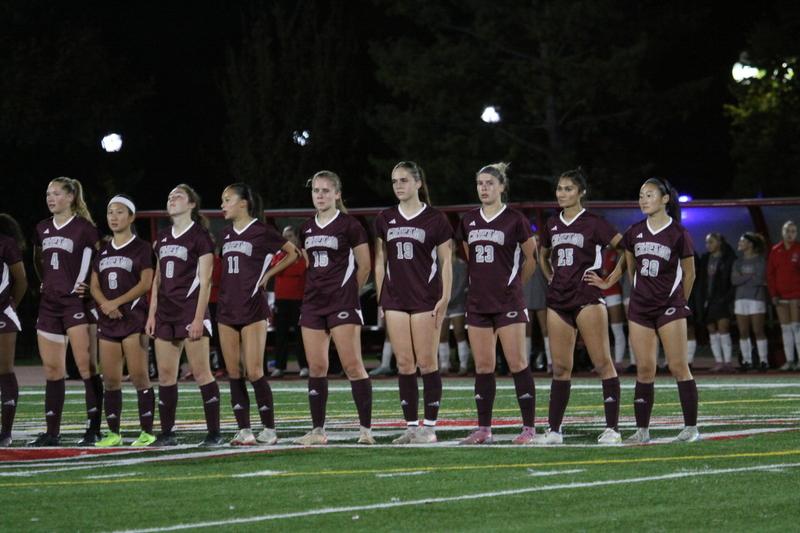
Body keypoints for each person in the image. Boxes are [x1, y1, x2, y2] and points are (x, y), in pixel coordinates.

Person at [591, 178, 700, 443]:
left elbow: (690, 274)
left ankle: (691, 428)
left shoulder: (678, 233)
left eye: (649, 195)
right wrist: (607, 282)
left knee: (677, 366)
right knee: (644, 370)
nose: (643, 199)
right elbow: (624, 264)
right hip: (640, 307)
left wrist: (678, 303)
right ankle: (642, 432)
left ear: (664, 199)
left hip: (669, 307)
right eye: (641, 195)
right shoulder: (634, 231)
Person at [535, 168, 623, 445]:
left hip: (587, 297)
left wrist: (608, 280)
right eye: (559, 189)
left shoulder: (596, 222)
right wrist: (549, 276)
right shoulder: (552, 223)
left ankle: (612, 429)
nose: (562, 194)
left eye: (569, 189)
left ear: (581, 193)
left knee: (602, 364)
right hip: (558, 299)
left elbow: (628, 250)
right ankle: (554, 431)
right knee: (560, 368)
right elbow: (543, 254)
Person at [456, 163, 538, 445]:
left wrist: (514, 286)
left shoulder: (515, 219)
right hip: (478, 302)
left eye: (490, 183)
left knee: (517, 363)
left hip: (508, 302)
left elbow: (533, 258)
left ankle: (528, 428)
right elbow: (470, 257)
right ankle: (483, 429)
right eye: (480, 183)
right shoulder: (468, 220)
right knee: (483, 365)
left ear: (502, 187)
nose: (484, 188)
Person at [374, 161, 453, 444]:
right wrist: (382, 296)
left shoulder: (436, 218)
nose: (398, 186)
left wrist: (445, 297)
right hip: (395, 298)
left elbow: (446, 262)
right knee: (404, 364)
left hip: (425, 298)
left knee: (427, 362)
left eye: (404, 180)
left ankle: (428, 428)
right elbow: (380, 260)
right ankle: (411, 427)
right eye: (395, 181)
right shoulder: (385, 218)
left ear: (418, 183)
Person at [293, 171, 374, 445]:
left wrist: (351, 294)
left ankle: (366, 431)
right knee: (316, 367)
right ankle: (318, 431)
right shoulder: (305, 227)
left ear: (337, 194)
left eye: (326, 190)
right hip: (313, 303)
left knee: (352, 366)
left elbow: (365, 265)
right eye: (316, 190)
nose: (320, 195)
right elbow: (308, 264)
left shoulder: (350, 226)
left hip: (343, 302)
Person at [217, 184, 299, 445]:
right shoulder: (227, 233)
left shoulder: (263, 231)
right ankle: (244, 431)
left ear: (243, 203)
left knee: (254, 371)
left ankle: (269, 430)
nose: (223, 205)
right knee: (234, 371)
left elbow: (293, 253)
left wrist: (268, 276)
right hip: (227, 308)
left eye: (227, 199)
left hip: (253, 307)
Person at [145, 184, 223, 447]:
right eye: (169, 196)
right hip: (165, 314)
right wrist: (152, 313)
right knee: (166, 377)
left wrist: (199, 318)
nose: (172, 199)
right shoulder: (163, 237)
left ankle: (214, 433)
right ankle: (167, 434)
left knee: (202, 373)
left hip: (190, 312)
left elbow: (206, 281)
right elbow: (157, 280)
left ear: (191, 205)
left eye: (178, 196)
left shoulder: (201, 237)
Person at [28, 177, 103, 447]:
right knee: (52, 370)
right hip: (50, 304)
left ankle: (93, 429)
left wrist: (91, 287)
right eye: (48, 194)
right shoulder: (42, 228)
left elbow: (99, 261)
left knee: (86, 367)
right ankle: (52, 432)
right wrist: (44, 282)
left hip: (77, 304)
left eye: (56, 194)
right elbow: (38, 260)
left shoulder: (85, 228)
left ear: (71, 197)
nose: (50, 198)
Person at [89, 196, 156, 446]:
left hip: (133, 320)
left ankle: (147, 432)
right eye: (110, 213)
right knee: (111, 380)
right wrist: (105, 304)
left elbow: (145, 283)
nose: (113, 217)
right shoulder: (103, 250)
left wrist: (116, 303)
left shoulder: (142, 247)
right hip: (108, 321)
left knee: (139, 377)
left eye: (119, 212)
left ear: (131, 217)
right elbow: (94, 285)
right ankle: (114, 434)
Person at [0, 214, 28, 447]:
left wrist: (10, 306)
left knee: (4, 370)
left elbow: (22, 280)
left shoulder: (6, 243)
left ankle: (6, 432)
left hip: (1, 314)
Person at [270, 225, 309, 378]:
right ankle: (279, 366)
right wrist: (288, 264)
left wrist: (286, 267)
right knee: (281, 335)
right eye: (285, 236)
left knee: (301, 335)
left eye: (290, 236)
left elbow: (299, 270)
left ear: (296, 238)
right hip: (281, 300)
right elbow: (276, 270)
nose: (287, 239)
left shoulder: (302, 254)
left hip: (299, 300)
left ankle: (304, 366)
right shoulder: (279, 255)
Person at [696, 233, 737, 372]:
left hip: (722, 299)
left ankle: (728, 362)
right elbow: (702, 280)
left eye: (711, 242)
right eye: (707, 243)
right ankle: (718, 361)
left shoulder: (728, 258)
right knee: (711, 330)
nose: (709, 245)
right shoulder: (705, 259)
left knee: (723, 328)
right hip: (709, 300)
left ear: (719, 242)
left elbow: (731, 281)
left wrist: (727, 298)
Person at [732, 232, 769, 372]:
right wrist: (749, 276)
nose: (740, 244)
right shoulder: (738, 262)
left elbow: (759, 280)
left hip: (755, 298)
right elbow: (734, 281)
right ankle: (747, 361)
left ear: (750, 244)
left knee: (758, 330)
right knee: (743, 331)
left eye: (742, 241)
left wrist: (743, 277)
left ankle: (763, 361)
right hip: (740, 298)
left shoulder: (760, 261)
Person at [767, 221, 800, 371]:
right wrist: (773, 293)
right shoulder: (775, 250)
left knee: (796, 327)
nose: (790, 234)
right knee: (785, 328)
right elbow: (770, 274)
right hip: (780, 295)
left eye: (793, 231)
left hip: (795, 294)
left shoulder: (798, 249)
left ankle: (799, 360)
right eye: (788, 231)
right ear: (782, 233)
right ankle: (790, 361)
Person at [439, 240, 470, 376]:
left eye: (452, 244)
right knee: (442, 336)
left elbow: (462, 285)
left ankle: (463, 366)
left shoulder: (461, 265)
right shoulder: (439, 264)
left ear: (457, 247)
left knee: (459, 334)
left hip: (457, 305)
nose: (449, 247)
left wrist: (448, 299)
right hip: (442, 305)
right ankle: (444, 365)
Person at [524, 233, 550, 373]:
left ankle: (551, 363)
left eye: (538, 239)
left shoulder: (544, 257)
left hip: (542, 296)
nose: (536, 242)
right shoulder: (522, 256)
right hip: (526, 298)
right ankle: (526, 363)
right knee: (526, 332)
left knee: (546, 330)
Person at [602, 248, 628, 371]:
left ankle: (618, 362)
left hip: (613, 291)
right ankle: (601, 362)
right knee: (599, 331)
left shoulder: (617, 253)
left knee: (616, 328)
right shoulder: (594, 251)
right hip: (596, 292)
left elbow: (608, 272)